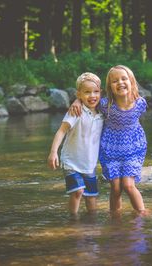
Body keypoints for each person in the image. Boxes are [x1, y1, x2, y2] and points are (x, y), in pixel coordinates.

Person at [69, 65, 147, 214]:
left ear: (131, 81)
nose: (120, 83)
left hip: (134, 147)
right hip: (110, 149)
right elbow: (87, 100)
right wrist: (77, 101)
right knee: (116, 187)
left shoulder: (140, 103)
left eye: (124, 79)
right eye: (115, 81)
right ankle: (115, 218)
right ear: (110, 87)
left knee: (128, 185)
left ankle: (142, 214)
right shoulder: (105, 105)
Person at [47, 72, 103, 215]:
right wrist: (53, 152)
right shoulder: (76, 111)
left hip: (89, 164)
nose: (92, 96)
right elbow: (61, 131)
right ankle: (73, 221)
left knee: (91, 198)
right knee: (78, 191)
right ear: (79, 94)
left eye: (96, 92)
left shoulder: (103, 112)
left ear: (101, 92)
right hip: (71, 161)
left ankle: (92, 223)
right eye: (87, 92)